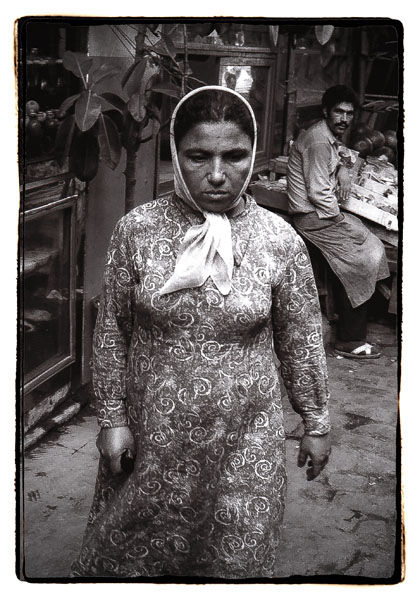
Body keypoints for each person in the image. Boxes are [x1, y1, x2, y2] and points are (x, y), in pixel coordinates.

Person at [71, 86, 331, 579]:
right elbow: (112, 332)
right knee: (136, 554)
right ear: (175, 153)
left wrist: (315, 423)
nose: (216, 174)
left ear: (251, 155)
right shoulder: (138, 230)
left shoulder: (279, 239)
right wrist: (112, 419)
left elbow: (301, 340)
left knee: (234, 553)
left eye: (234, 156)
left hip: (245, 437)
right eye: (198, 156)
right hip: (154, 434)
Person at [287, 85, 390, 359]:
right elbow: (318, 193)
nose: (344, 119)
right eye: (338, 112)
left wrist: (343, 168)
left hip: (323, 214)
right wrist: (341, 219)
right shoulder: (318, 141)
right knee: (361, 259)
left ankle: (364, 313)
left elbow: (340, 153)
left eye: (349, 113)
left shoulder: (327, 135)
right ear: (326, 112)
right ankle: (349, 339)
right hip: (313, 218)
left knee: (373, 242)